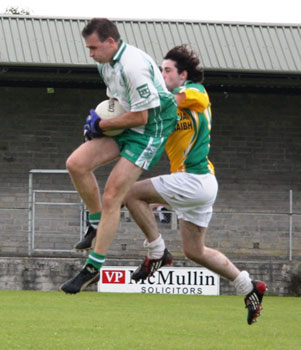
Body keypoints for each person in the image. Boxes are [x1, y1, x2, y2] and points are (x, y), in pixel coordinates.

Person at [123, 45, 267, 325]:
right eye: (161, 70)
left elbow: (169, 99)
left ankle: (156, 251)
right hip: (196, 185)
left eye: (167, 70)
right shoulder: (170, 108)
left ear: (183, 74)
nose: (162, 75)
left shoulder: (195, 92)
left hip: (195, 178)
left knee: (130, 193)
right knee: (194, 251)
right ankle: (248, 286)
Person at [60, 18, 178, 293]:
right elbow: (118, 104)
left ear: (111, 42)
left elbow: (142, 116)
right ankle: (95, 224)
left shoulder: (133, 66)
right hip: (128, 119)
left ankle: (93, 268)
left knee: (114, 194)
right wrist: (99, 120)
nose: (90, 54)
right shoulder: (105, 63)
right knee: (76, 164)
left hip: (151, 127)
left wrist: (100, 125)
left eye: (94, 47)